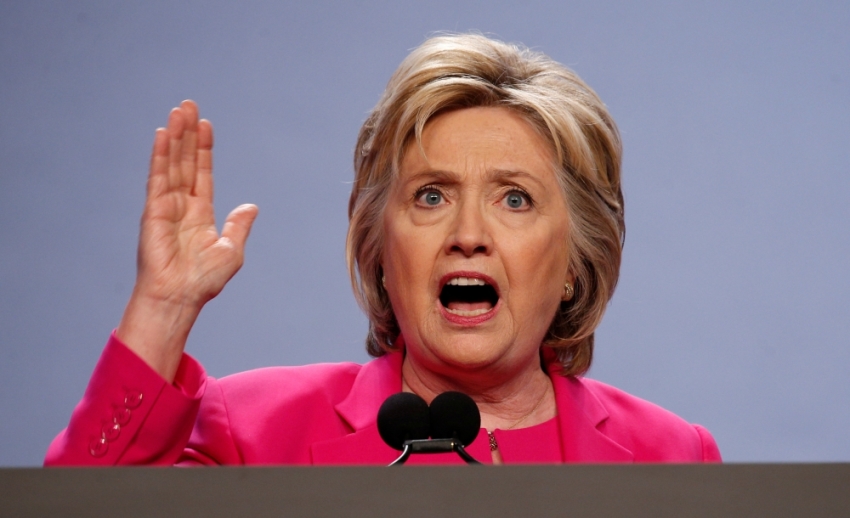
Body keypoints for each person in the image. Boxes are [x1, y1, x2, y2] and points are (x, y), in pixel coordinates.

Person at [45, 34, 721, 466]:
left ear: (576, 262)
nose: (468, 233)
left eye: (514, 199)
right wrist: (163, 308)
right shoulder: (250, 434)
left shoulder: (670, 457)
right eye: (431, 196)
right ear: (378, 248)